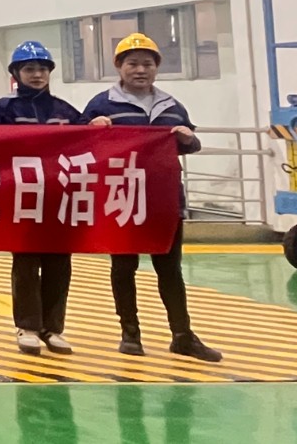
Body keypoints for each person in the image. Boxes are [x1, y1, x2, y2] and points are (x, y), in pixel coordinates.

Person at [83, 33, 223, 363]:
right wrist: (92, 128)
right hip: (121, 198)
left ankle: (182, 335)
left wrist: (188, 139)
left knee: (170, 269)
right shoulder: (102, 105)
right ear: (119, 67)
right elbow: (81, 144)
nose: (140, 70)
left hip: (164, 199)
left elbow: (191, 144)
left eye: (147, 64)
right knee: (123, 267)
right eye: (132, 63)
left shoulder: (172, 106)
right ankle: (130, 334)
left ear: (157, 68)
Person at [0, 41, 81, 357]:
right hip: (22, 198)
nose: (37, 74)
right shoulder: (2, 110)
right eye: (29, 69)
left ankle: (53, 328)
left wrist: (100, 127)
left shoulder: (65, 112)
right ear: (16, 73)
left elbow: (89, 145)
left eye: (42, 68)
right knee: (26, 263)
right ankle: (27, 326)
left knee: (59, 264)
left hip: (58, 198)